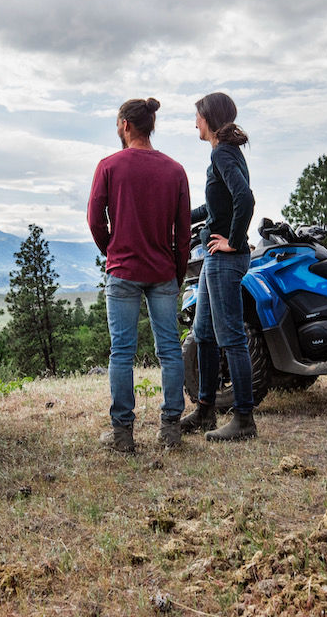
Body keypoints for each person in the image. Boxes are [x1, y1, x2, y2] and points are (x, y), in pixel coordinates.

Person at [87, 97, 192, 452]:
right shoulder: (175, 170)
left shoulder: (109, 166)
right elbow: (183, 231)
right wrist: (176, 272)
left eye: (117, 123)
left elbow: (93, 220)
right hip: (163, 271)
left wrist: (112, 250)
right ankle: (170, 429)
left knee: (122, 353)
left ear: (126, 125)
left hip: (124, 271)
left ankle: (123, 435)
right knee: (170, 351)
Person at [178, 92, 258, 441]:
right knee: (205, 335)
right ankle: (206, 412)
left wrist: (234, 241)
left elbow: (245, 198)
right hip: (215, 256)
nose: (194, 123)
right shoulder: (223, 154)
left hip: (225, 257)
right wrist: (176, 217)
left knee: (232, 339)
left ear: (209, 118)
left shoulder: (223, 153)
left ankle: (244, 420)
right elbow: (215, 211)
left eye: (197, 116)